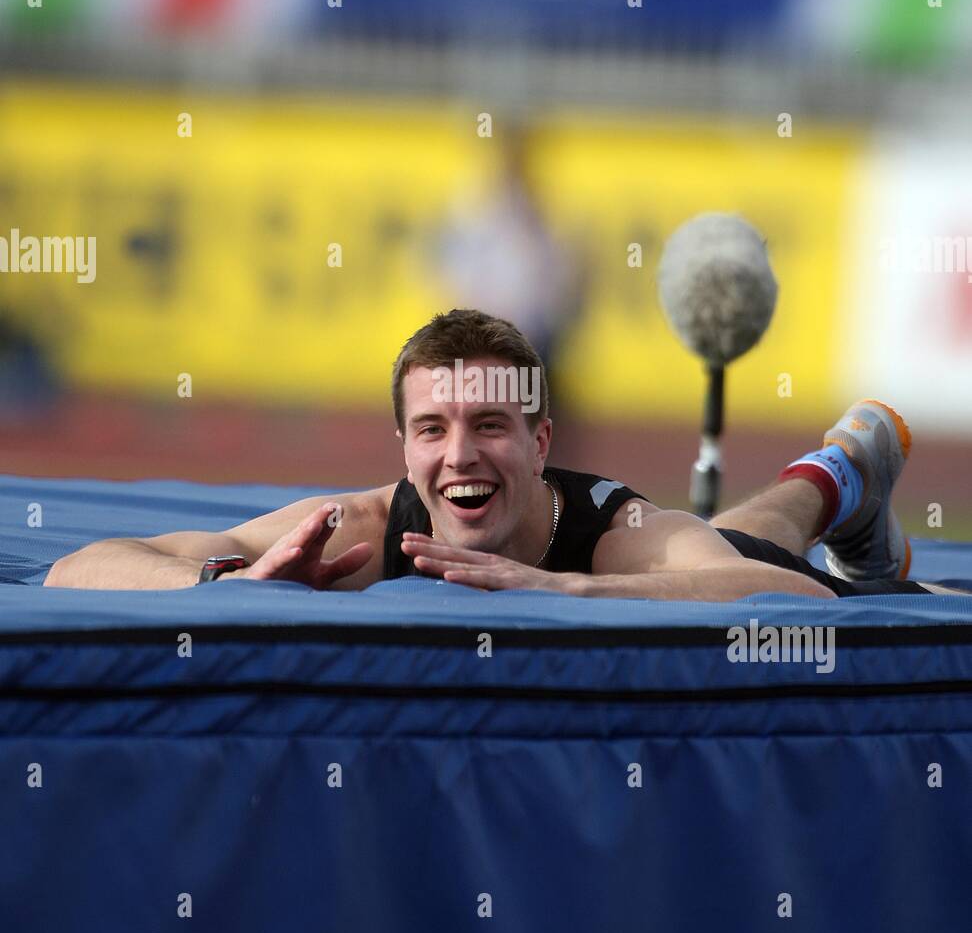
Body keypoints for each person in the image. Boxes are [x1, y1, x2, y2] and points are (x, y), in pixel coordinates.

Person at [43, 309, 965, 599]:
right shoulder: (359, 530)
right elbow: (79, 569)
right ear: (401, 446)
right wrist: (221, 584)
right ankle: (845, 467)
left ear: (541, 440)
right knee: (746, 522)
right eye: (433, 430)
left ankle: (836, 473)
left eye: (490, 426)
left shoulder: (613, 531)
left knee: (763, 540)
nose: (459, 456)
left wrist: (569, 592)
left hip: (659, 561)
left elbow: (793, 598)